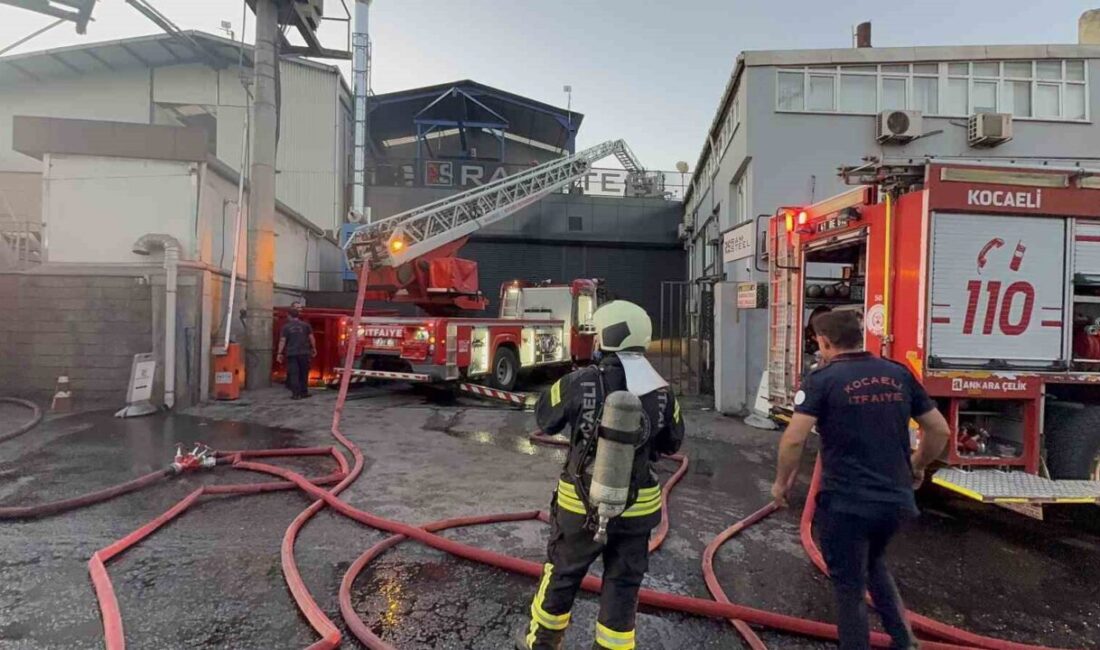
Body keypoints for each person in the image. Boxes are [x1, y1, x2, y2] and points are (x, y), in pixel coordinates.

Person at [770, 310, 950, 650]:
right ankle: (904, 640)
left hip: (847, 503)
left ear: (823, 341)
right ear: (859, 336)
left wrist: (782, 484)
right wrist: (918, 463)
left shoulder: (822, 380)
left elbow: (794, 439)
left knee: (849, 587)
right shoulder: (897, 373)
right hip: (895, 501)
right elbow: (939, 429)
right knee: (874, 562)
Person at [517, 301, 684, 650]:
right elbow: (672, 442)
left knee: (562, 575)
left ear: (606, 336)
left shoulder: (578, 381)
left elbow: (546, 419)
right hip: (637, 511)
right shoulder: (663, 390)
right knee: (623, 585)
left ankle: (542, 644)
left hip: (581, 505)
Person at [276, 307, 316, 400]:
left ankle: (296, 394)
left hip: (292, 353)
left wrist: (279, 353)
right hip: (304, 352)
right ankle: (304, 392)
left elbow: (283, 340)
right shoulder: (306, 325)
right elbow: (311, 338)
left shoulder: (286, 327)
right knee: (304, 373)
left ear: (289, 316)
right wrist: (314, 348)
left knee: (294, 374)